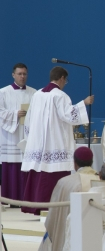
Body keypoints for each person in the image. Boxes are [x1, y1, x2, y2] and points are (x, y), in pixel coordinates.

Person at [21, 66, 94, 215]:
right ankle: (49, 208)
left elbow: (29, 119)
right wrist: (84, 103)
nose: (64, 83)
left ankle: (34, 206)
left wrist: (31, 138)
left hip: (39, 144)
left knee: (39, 172)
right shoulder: (60, 95)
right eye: (65, 81)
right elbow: (69, 116)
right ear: (61, 78)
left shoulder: (37, 94)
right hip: (54, 143)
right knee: (52, 175)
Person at [39, 147, 98, 251]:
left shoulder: (65, 182)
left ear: (74, 163)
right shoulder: (101, 180)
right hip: (97, 237)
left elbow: (52, 220)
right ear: (92, 162)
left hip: (71, 237)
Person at [0, 63, 36, 202]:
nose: (22, 77)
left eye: (24, 74)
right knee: (12, 166)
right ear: (13, 75)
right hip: (11, 136)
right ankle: (10, 198)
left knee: (26, 164)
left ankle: (26, 198)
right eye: (19, 74)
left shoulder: (34, 93)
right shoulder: (3, 92)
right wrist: (15, 114)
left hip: (27, 134)